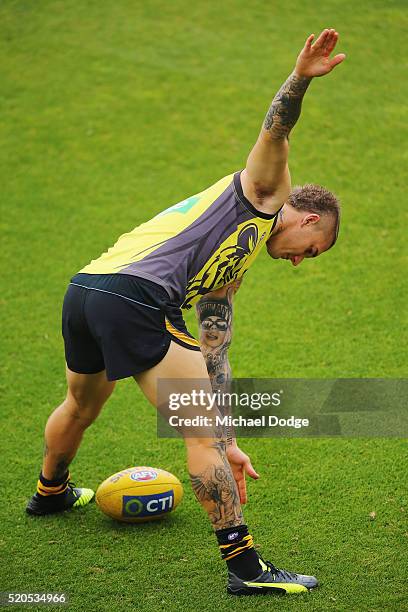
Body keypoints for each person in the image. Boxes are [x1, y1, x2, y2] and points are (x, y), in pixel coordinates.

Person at [26, 29, 345, 596]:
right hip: (135, 297)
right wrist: (300, 78)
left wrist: (227, 437)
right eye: (310, 253)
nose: (300, 263)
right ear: (311, 221)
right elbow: (277, 128)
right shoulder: (266, 194)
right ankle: (247, 570)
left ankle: (49, 492)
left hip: (87, 289)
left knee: (81, 402)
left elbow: (214, 346)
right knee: (197, 438)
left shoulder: (236, 263)